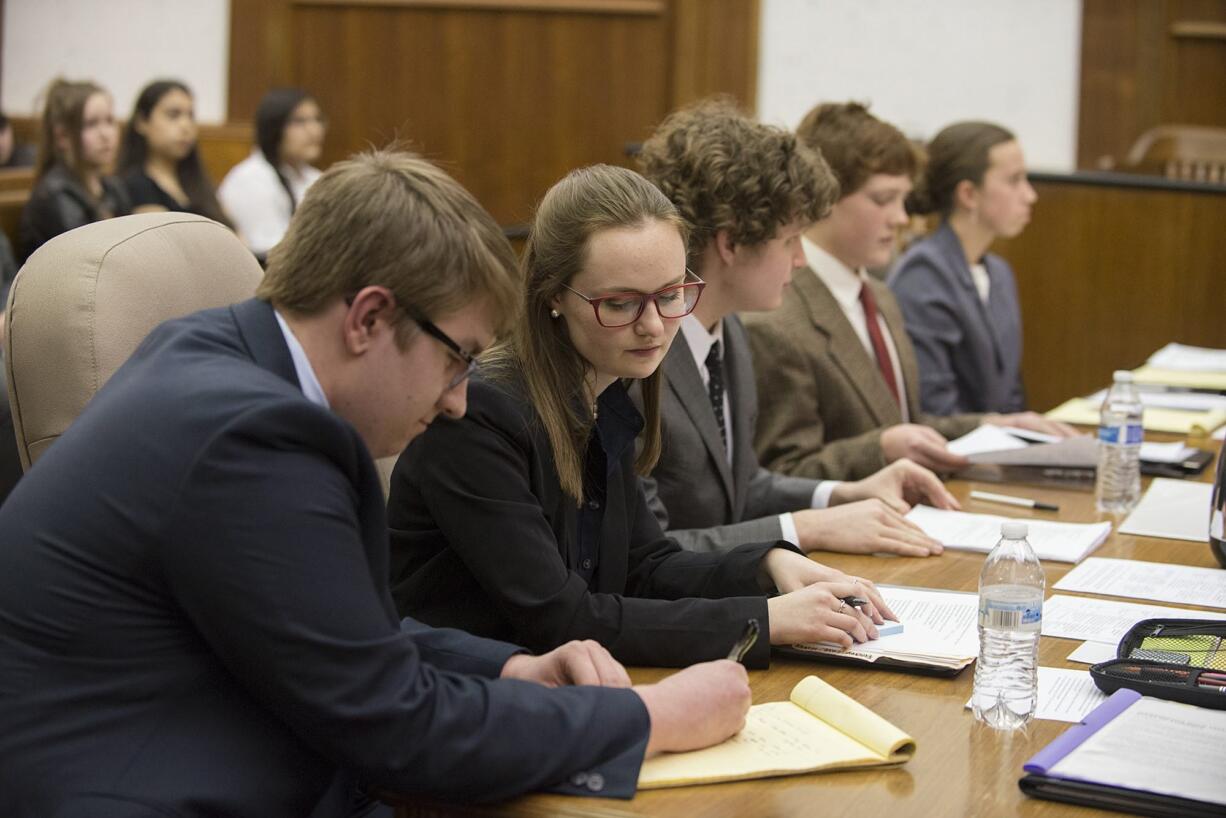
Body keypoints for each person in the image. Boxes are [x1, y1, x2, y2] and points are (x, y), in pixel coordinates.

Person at [0, 150, 754, 817]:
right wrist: (649, 721)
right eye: (457, 358)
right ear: (367, 318)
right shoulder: (252, 441)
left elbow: (352, 634)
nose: (460, 397)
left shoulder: (215, 356)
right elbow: (396, 726)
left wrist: (510, 666)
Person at [387, 163, 896, 672]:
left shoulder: (606, 392)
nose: (653, 326)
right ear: (553, 296)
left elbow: (646, 565)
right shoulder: (482, 414)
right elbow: (563, 619)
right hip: (465, 702)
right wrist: (763, 619)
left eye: (670, 295)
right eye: (621, 303)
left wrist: (769, 565)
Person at [633, 98, 957, 558]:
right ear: (731, 243)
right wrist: (806, 528)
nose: (802, 259)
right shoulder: (639, 354)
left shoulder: (728, 333)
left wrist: (844, 494)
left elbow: (744, 486)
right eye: (790, 241)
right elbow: (650, 553)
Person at [744, 102, 1072, 481]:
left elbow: (908, 423)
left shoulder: (880, 296)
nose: (901, 218)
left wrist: (997, 424)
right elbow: (785, 471)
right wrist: (881, 448)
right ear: (823, 199)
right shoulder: (778, 316)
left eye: (902, 199)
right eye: (883, 200)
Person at [888, 121, 1035, 415]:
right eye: (1014, 180)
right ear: (968, 194)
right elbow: (934, 408)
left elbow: (1012, 396)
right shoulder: (923, 275)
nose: (1030, 195)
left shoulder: (999, 273)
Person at [18, 78, 130, 262]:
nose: (106, 134)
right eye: (91, 124)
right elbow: (89, 260)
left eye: (109, 121)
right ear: (63, 136)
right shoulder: (54, 195)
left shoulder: (113, 187)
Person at [219, 87, 325, 258]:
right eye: (299, 121)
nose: (314, 130)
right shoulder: (249, 179)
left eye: (317, 120)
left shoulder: (316, 178)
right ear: (274, 127)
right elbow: (268, 252)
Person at [118, 79, 232, 226]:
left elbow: (232, 231)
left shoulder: (199, 181)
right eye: (173, 115)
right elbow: (163, 240)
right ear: (142, 122)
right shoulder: (135, 184)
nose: (186, 126)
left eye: (190, 116)